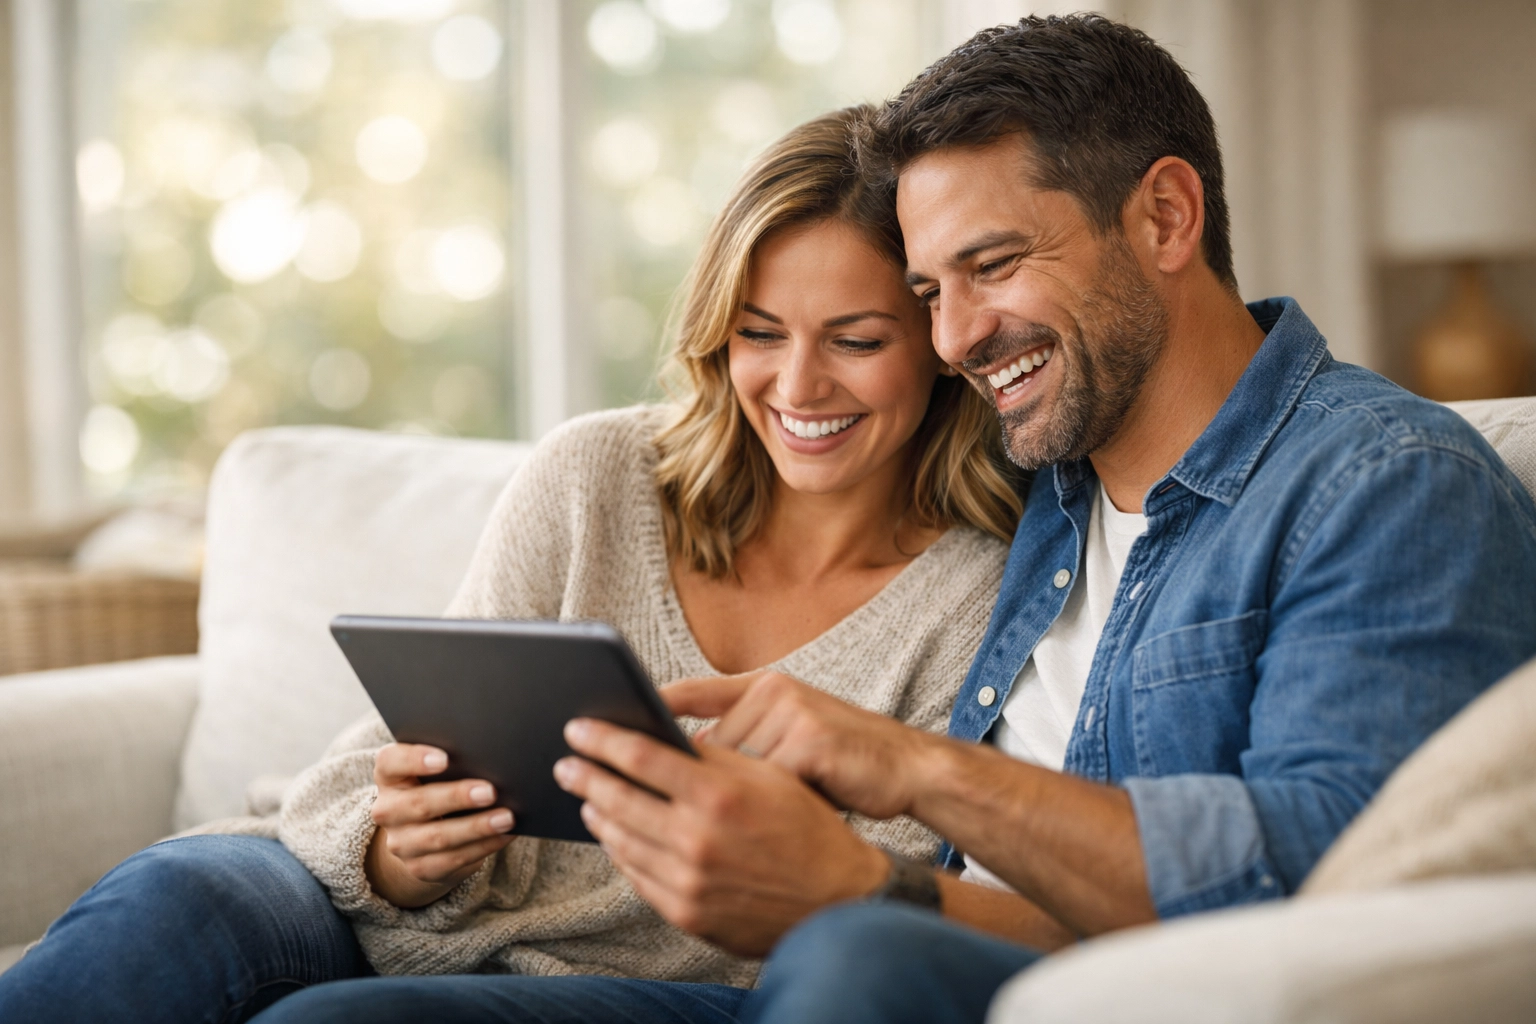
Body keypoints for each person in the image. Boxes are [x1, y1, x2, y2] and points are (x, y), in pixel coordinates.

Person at [242, 14, 1536, 1024]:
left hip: (956, 978)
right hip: (894, 956)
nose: (959, 335)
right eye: (928, 290)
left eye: (993, 265)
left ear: (1165, 215)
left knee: (856, 954)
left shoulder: (1384, 485)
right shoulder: (1051, 490)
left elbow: (1330, 888)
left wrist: (895, 795)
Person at [0, 107, 1028, 1022]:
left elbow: (846, 928)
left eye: (854, 339)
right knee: (170, 905)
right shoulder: (601, 475)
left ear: (939, 342)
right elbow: (377, 767)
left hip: (660, 988)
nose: (797, 383)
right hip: (379, 903)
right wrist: (394, 854)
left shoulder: (976, 590)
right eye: (760, 332)